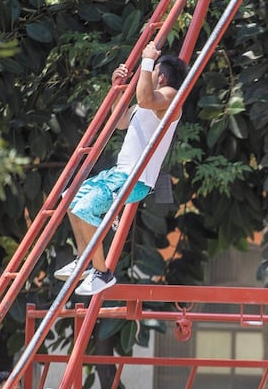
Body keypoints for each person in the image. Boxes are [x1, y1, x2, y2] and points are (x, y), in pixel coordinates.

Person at [54, 41, 189, 296]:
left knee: (85, 209)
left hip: (135, 179)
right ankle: (84, 259)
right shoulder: (147, 105)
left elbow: (145, 98)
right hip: (119, 174)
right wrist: (117, 88)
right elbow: (122, 121)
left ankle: (102, 273)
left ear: (161, 76)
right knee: (70, 198)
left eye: (152, 72)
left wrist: (147, 60)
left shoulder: (171, 98)